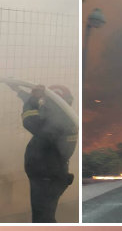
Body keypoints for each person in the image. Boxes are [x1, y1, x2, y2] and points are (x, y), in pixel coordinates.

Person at [14, 83, 78, 222]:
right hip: (52, 175)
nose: (43, 104)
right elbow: (40, 112)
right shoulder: (65, 118)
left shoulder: (57, 124)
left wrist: (32, 99)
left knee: (43, 219)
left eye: (46, 101)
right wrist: (19, 91)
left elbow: (30, 120)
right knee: (44, 216)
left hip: (46, 177)